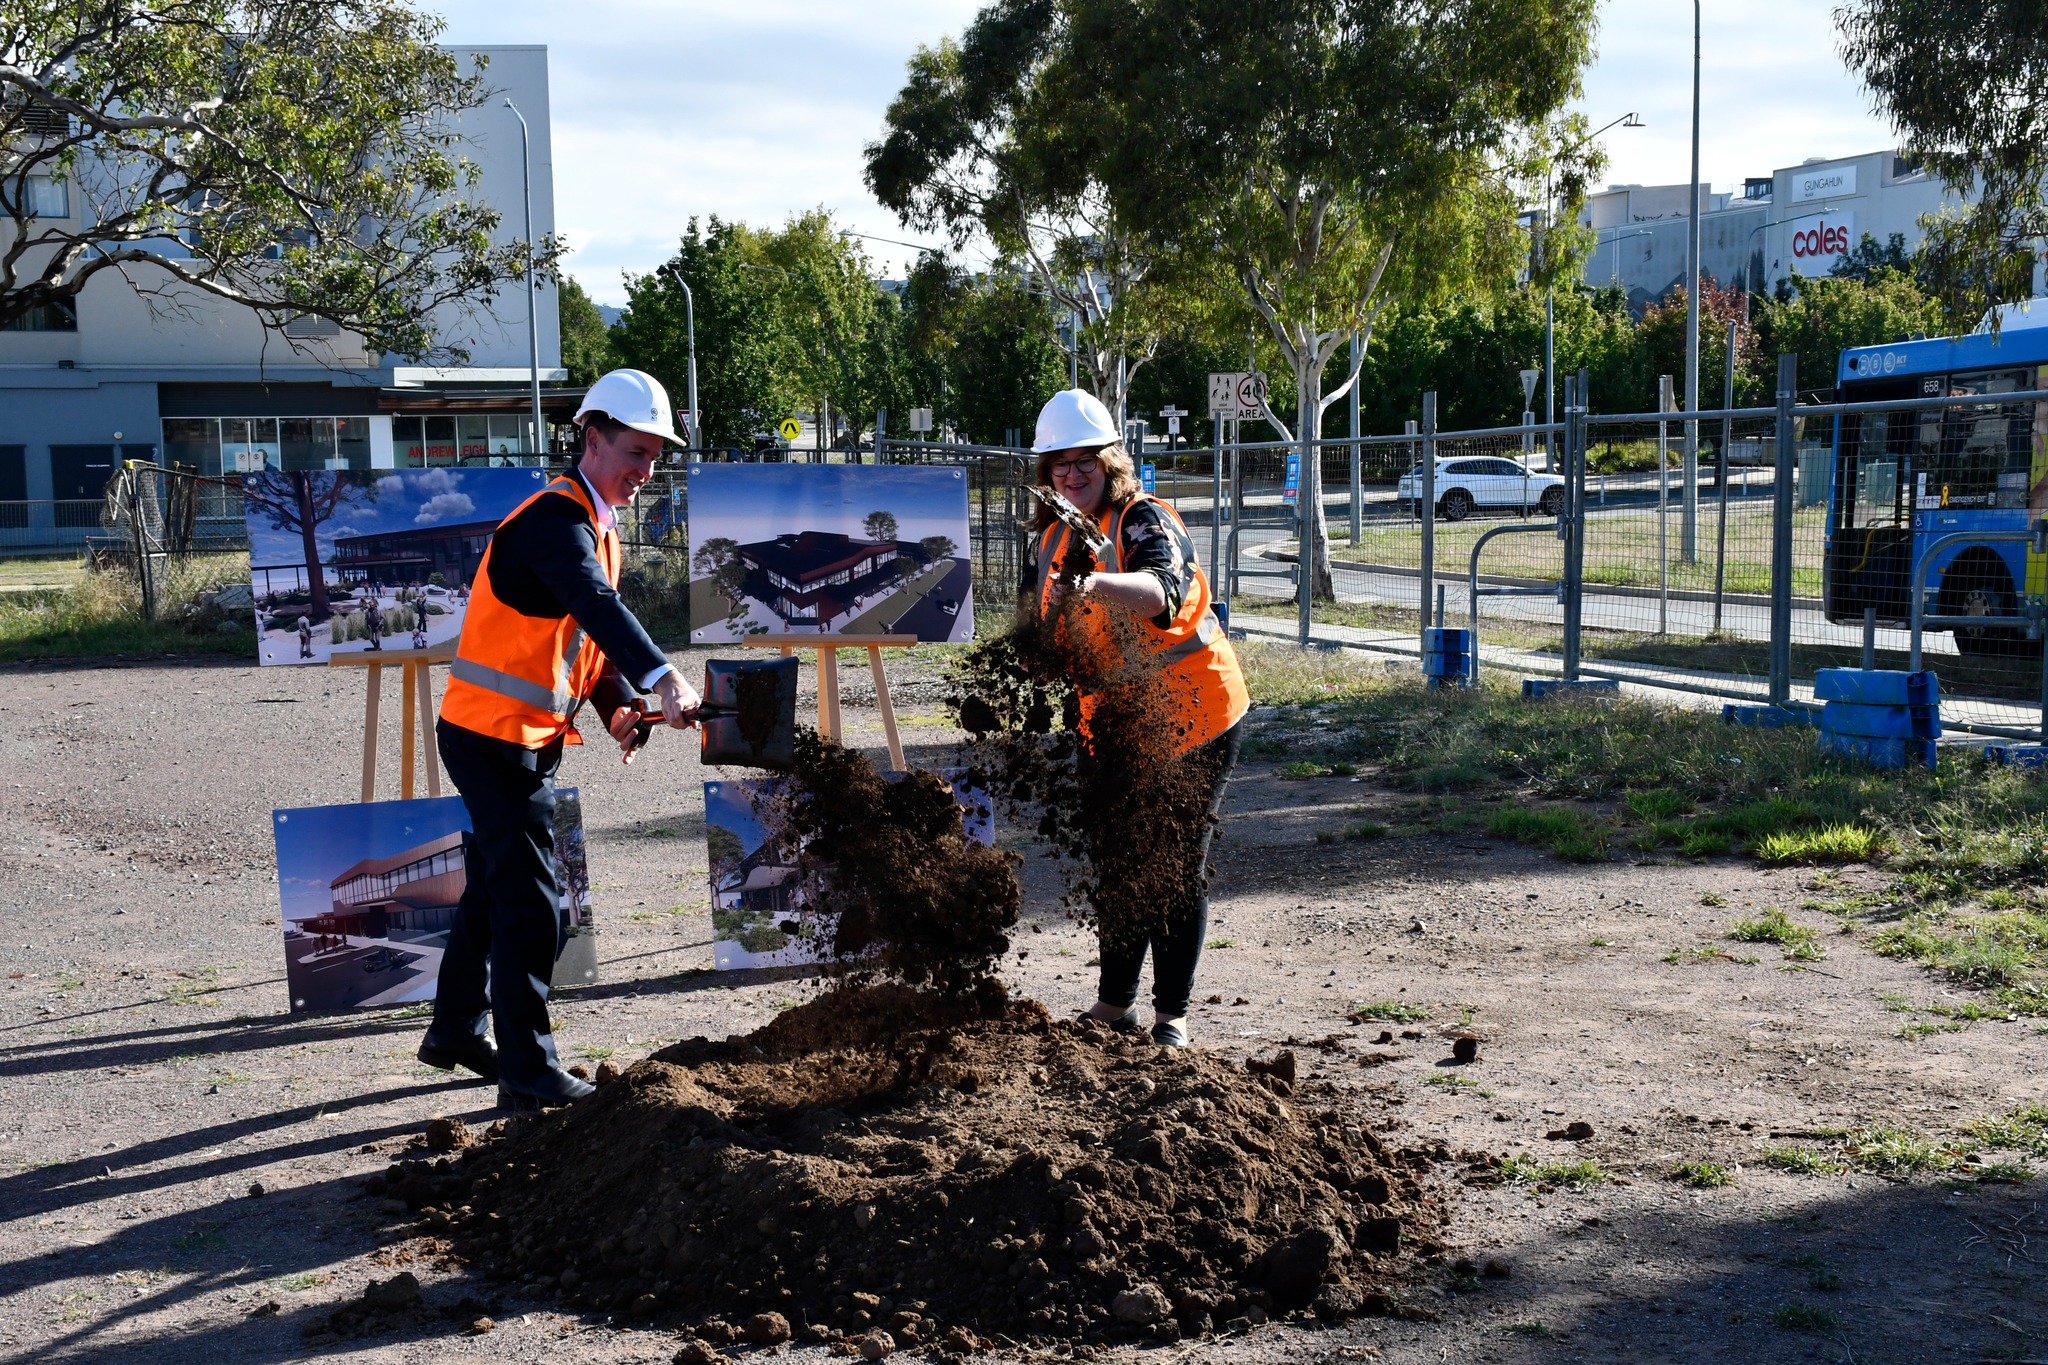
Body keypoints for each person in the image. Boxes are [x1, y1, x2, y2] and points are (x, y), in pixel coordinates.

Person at [417, 368, 702, 1110]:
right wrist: (665, 678)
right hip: (491, 742)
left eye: (654, 457)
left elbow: (582, 638)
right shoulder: (556, 520)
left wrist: (614, 705)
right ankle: (527, 1068)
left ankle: (453, 1029)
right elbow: (594, 604)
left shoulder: (592, 522)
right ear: (592, 436)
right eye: (634, 452)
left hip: (516, 739)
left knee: (493, 886)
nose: (644, 472)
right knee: (533, 903)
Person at [1022, 389, 1250, 1048]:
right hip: (1114, 722)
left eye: (1083, 459)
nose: (1071, 472)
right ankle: (1114, 1002)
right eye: (1058, 462)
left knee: (1173, 864)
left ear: (1109, 459)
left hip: (1194, 711)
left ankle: (1170, 1016)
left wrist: (1092, 584)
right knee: (1121, 862)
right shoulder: (1053, 536)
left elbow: (1160, 591)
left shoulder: (1143, 518)